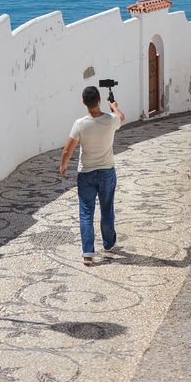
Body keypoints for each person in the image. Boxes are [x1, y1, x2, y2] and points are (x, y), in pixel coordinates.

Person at [59, 85, 125, 265]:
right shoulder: (111, 120)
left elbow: (67, 149)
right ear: (99, 101)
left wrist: (63, 165)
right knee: (106, 209)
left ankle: (88, 253)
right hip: (106, 172)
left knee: (86, 213)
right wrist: (115, 107)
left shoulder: (80, 124)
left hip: (86, 174)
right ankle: (109, 244)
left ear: (83, 103)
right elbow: (122, 118)